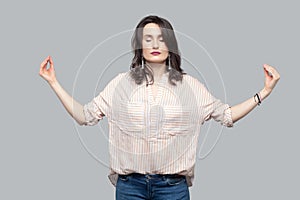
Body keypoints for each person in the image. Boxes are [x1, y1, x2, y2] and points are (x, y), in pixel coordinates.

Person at [39, 15, 280, 200]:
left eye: (162, 38)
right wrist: (53, 82)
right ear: (139, 45)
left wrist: (264, 92)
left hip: (173, 189)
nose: (155, 44)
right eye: (148, 38)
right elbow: (85, 116)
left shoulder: (190, 86)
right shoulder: (120, 84)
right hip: (129, 187)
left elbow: (226, 115)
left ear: (171, 44)